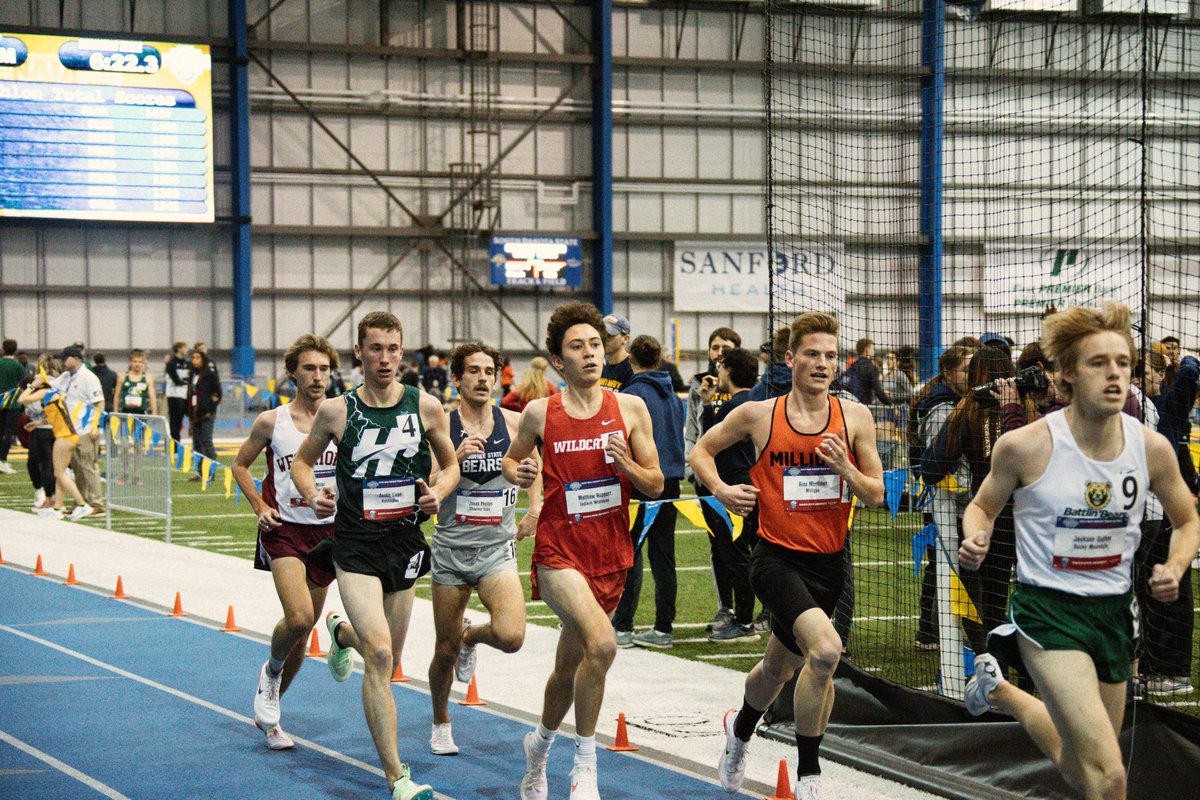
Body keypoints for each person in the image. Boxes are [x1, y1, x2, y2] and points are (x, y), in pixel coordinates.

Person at [958, 304, 1200, 800]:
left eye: (1123, 362)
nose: (1114, 374)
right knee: (1109, 777)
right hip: (1047, 613)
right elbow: (981, 506)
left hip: (1114, 615)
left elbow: (1188, 518)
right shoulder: (1025, 445)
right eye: (1098, 363)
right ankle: (1006, 681)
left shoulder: (1151, 448)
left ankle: (1000, 692)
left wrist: (1175, 564)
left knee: (1082, 762)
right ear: (1066, 373)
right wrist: (975, 535)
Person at [690, 311, 885, 799]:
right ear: (790, 358)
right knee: (825, 653)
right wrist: (720, 489)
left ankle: (739, 732)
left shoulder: (855, 418)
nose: (822, 364)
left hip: (830, 562)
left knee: (778, 669)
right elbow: (701, 452)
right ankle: (810, 775)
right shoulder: (760, 414)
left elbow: (877, 495)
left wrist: (846, 467)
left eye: (831, 356)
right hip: (775, 558)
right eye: (812, 355)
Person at [292, 311, 458, 800]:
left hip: (404, 542)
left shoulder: (425, 407)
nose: (384, 358)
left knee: (390, 658)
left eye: (393, 349)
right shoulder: (337, 411)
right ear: (359, 353)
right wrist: (311, 494)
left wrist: (439, 493)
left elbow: (449, 465)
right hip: (356, 544)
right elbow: (303, 463)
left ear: (401, 353)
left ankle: (341, 632)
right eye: (375, 349)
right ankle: (397, 778)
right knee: (381, 653)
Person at [503, 301, 663, 800]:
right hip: (558, 553)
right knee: (604, 644)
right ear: (558, 361)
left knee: (566, 671)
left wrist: (627, 467)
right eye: (578, 346)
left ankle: (539, 747)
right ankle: (585, 763)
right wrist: (522, 473)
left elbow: (655, 483)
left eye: (595, 344)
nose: (591, 353)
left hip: (610, 553)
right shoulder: (539, 413)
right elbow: (512, 463)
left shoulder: (630, 408)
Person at [426, 341, 539, 756]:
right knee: (444, 648)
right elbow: (428, 481)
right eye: (473, 370)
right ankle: (440, 720)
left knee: (511, 636)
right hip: (452, 548)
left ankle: (472, 636)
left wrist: (535, 510)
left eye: (489, 371)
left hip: (497, 548)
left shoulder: (512, 422)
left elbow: (533, 464)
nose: (482, 378)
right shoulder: (441, 427)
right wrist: (451, 458)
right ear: (456, 378)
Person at [232, 335, 340, 751]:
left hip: (326, 533)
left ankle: (274, 710)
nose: (318, 377)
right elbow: (240, 465)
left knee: (305, 628)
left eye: (324, 369)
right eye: (310, 369)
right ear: (293, 373)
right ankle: (271, 672)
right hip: (284, 531)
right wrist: (259, 505)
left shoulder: (342, 418)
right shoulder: (271, 421)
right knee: (296, 619)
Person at [613, 335, 685, 649]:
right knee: (664, 557)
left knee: (630, 554)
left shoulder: (629, 397)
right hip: (671, 481)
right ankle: (663, 628)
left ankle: (624, 626)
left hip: (642, 481)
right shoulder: (672, 395)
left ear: (631, 359)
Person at [908, 345, 973, 650]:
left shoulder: (955, 402)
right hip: (946, 503)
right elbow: (937, 463)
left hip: (950, 502)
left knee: (941, 567)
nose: (970, 375)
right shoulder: (943, 409)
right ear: (948, 372)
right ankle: (932, 631)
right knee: (941, 567)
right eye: (965, 369)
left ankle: (931, 632)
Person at [699, 347, 762, 643]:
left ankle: (746, 622)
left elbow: (707, 445)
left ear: (730, 371)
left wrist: (709, 408)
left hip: (733, 488)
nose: (718, 372)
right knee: (747, 553)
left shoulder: (733, 408)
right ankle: (748, 616)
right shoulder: (758, 402)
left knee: (736, 556)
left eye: (722, 367)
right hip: (753, 482)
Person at [685, 327, 742, 633]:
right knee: (717, 545)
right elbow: (691, 427)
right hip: (707, 478)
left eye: (726, 347)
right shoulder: (698, 385)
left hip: (738, 476)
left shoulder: (746, 386)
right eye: (715, 346)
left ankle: (756, 611)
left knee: (744, 546)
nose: (719, 352)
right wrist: (691, 469)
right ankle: (726, 607)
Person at [18, 360, 92, 519]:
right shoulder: (54, 394)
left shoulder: (47, 392)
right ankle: (57, 508)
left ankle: (82, 504)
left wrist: (32, 386)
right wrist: (38, 423)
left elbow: (22, 399)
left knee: (59, 473)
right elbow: (57, 417)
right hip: (67, 435)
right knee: (61, 473)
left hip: (64, 437)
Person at [50, 345, 104, 510]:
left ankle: (96, 503)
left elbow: (99, 402)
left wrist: (96, 426)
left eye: (64, 358)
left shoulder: (89, 378)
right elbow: (50, 387)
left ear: (75, 358)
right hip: (71, 431)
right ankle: (82, 501)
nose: (62, 362)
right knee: (78, 468)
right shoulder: (66, 376)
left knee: (89, 466)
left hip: (86, 429)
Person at [187, 350, 222, 464]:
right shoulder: (192, 375)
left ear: (203, 360)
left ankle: (211, 471)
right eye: (193, 358)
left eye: (197, 358)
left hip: (207, 413)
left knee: (206, 441)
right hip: (194, 413)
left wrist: (210, 407)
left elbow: (218, 393)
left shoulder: (210, 374)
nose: (194, 360)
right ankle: (200, 471)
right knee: (197, 443)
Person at [841, 338, 890, 406]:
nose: (874, 351)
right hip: (864, 407)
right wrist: (890, 404)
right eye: (872, 349)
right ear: (867, 349)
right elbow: (878, 391)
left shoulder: (852, 367)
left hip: (849, 406)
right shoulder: (871, 367)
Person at [0, 338, 22, 474]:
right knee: (8, 434)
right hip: (13, 404)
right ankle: (3, 461)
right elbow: (21, 383)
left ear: (2, 349)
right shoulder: (18, 366)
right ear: (15, 350)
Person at [599, 313, 634, 391]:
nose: (604, 339)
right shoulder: (601, 367)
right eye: (603, 335)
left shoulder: (632, 368)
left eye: (610, 335)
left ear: (625, 339)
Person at [164, 342, 190, 443]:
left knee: (180, 422)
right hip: (174, 395)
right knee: (174, 422)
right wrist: (184, 381)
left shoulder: (187, 363)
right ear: (179, 349)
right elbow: (176, 380)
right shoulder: (171, 363)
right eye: (185, 348)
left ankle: (177, 444)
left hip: (184, 395)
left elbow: (189, 378)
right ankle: (174, 445)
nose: (187, 350)